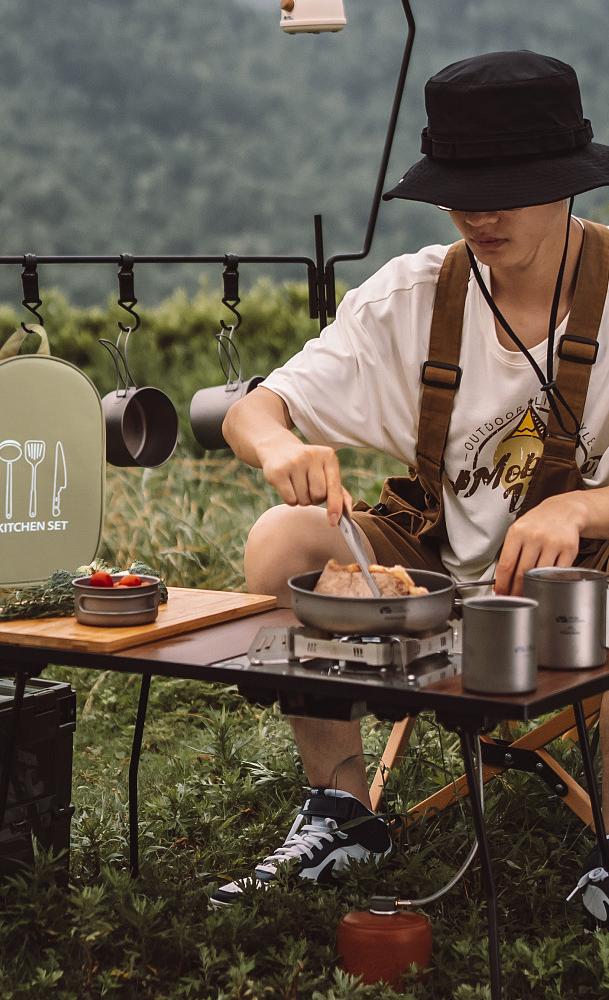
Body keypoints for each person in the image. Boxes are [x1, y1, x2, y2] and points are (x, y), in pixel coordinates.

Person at [212, 49, 609, 926]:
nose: (480, 214)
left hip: (584, 587)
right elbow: (254, 408)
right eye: (462, 190)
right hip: (431, 581)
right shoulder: (418, 294)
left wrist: (582, 505)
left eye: (506, 189)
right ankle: (342, 811)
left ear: (567, 182)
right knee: (281, 540)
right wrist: (279, 448)